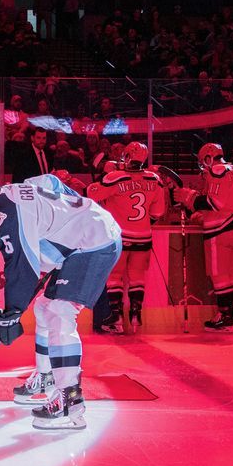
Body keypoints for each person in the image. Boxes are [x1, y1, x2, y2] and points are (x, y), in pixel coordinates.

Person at [0, 166, 121, 430]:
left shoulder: (4, 214)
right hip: (87, 236)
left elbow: (20, 264)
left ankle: (70, 401)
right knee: (44, 307)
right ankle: (46, 377)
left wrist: (11, 312)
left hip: (94, 242)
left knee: (59, 313)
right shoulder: (16, 189)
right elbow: (53, 183)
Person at [86, 142, 166, 333]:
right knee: (137, 277)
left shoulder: (115, 177)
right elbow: (158, 212)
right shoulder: (154, 179)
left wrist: (104, 175)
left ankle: (116, 317)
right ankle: (136, 314)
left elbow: (91, 193)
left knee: (114, 277)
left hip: (119, 236)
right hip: (144, 237)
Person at [174, 143, 233, 332]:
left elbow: (214, 203)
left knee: (220, 275)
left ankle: (225, 317)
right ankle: (232, 316)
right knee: (232, 276)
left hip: (220, 228)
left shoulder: (217, 170)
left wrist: (188, 197)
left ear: (208, 157)